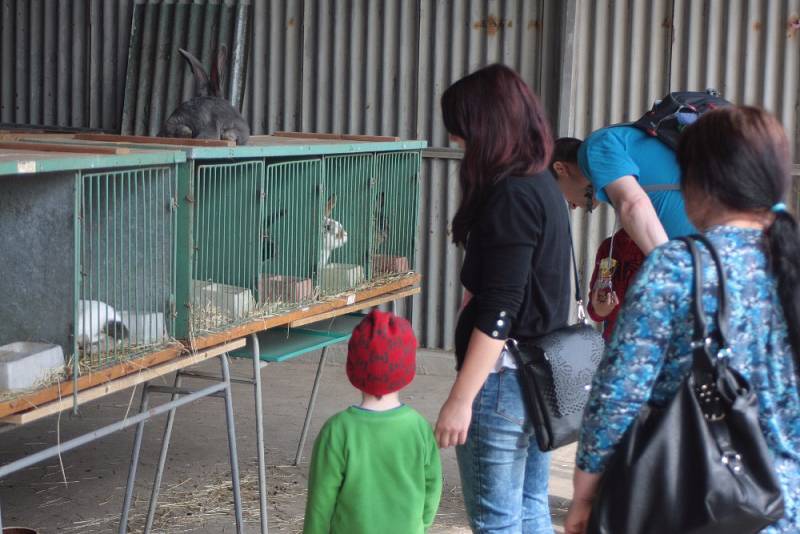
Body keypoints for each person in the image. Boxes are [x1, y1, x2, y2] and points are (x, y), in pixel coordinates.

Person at [564, 106, 800, 533]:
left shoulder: (679, 266)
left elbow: (619, 392)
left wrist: (586, 492)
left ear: (697, 183)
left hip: (697, 500)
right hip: (786, 504)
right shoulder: (788, 259)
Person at [434, 64, 571, 533]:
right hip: (537, 379)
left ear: (485, 128)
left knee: (496, 522)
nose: (456, 141)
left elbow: (499, 312)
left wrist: (461, 398)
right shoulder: (540, 185)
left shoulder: (511, 195)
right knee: (531, 507)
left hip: (503, 386)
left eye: (462, 131)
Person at [303, 310, 442, 534]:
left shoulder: (337, 430)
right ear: (408, 372)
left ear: (352, 371)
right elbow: (433, 487)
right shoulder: (420, 428)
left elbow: (321, 500)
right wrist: (420, 525)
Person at [551, 125, 696, 256]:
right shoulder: (610, 170)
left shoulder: (595, 148)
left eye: (561, 196)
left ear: (560, 169)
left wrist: (668, 270)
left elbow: (632, 206)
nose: (573, 206)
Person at [585, 227, 645, 341]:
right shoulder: (610, 248)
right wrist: (599, 311)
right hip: (614, 342)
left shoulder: (659, 250)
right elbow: (596, 304)